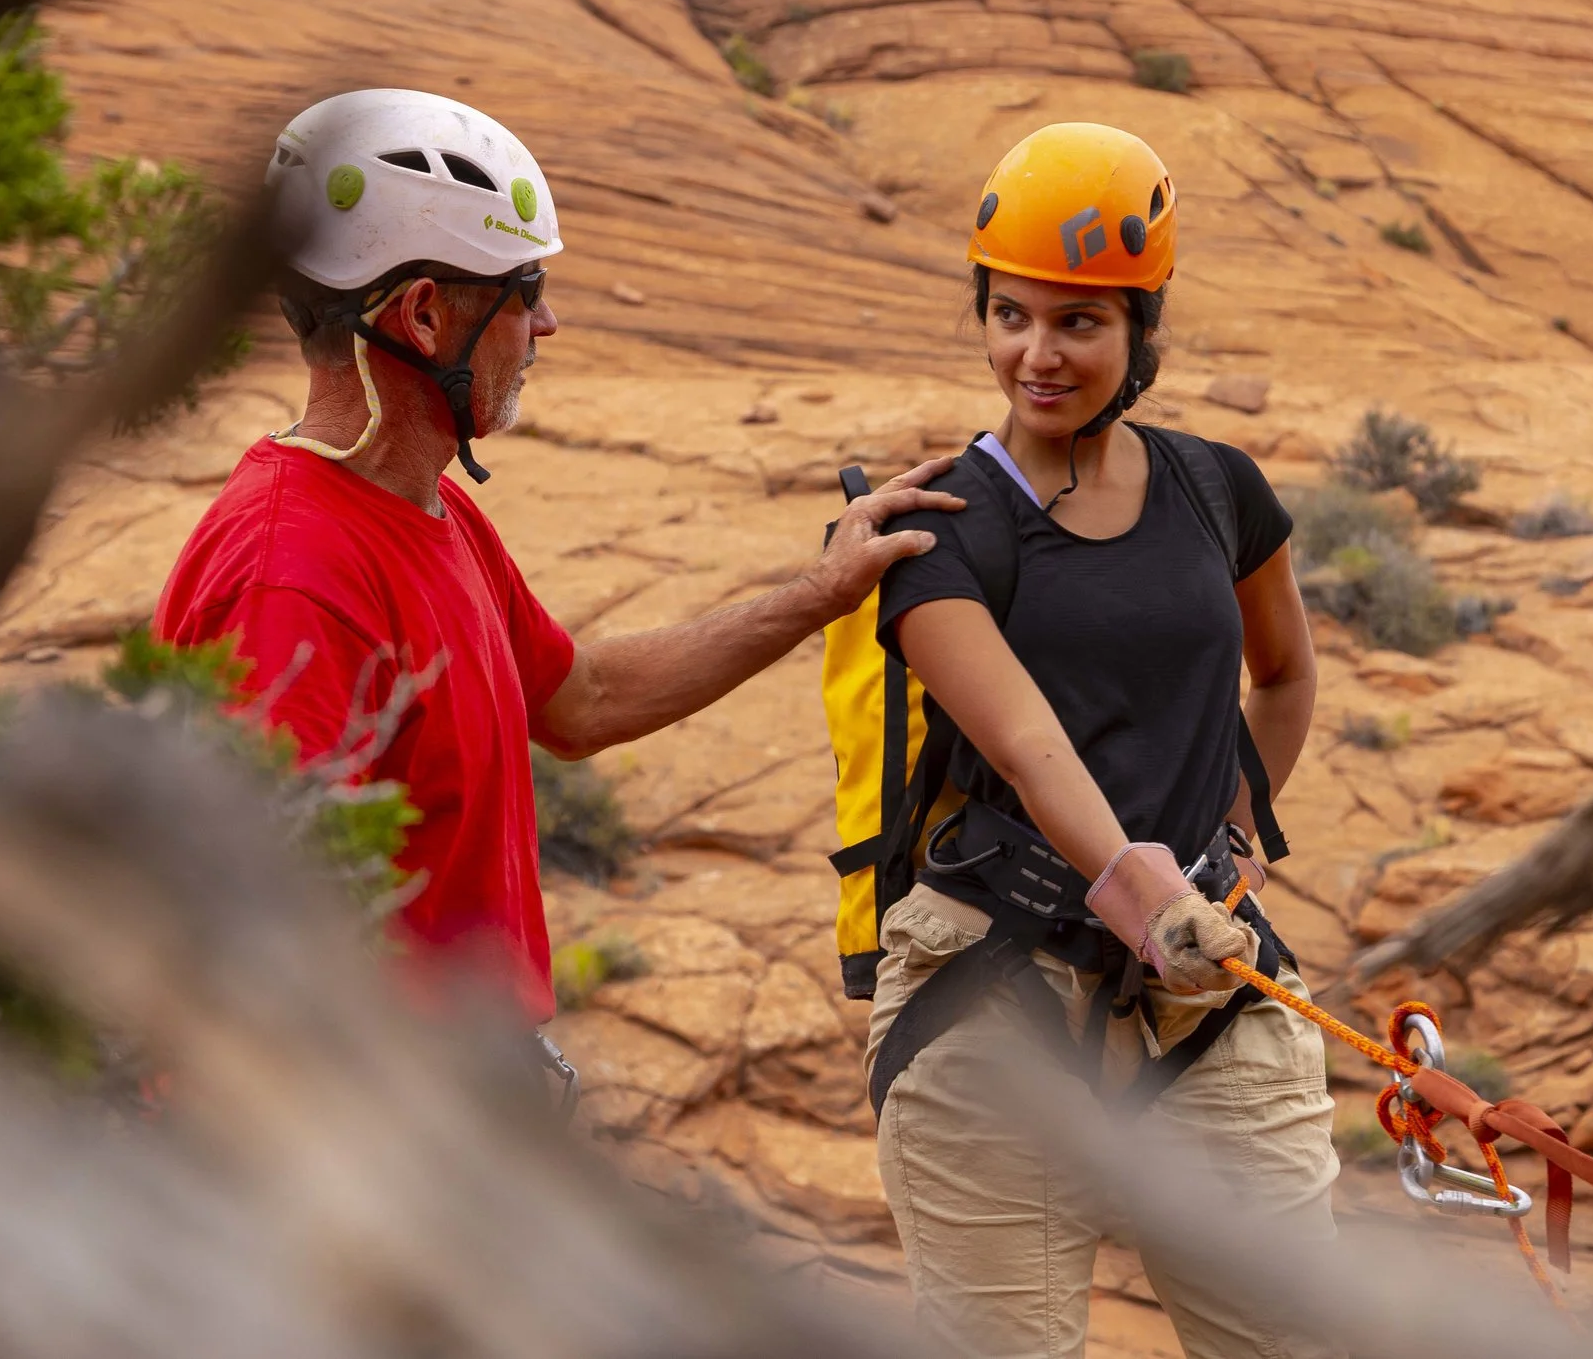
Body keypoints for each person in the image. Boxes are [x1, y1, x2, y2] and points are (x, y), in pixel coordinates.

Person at [154, 88, 959, 1037]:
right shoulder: (290, 576)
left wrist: (824, 593)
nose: (546, 326)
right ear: (422, 316)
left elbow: (584, 701)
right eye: (524, 291)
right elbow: (254, 941)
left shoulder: (432, 509)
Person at [864, 123, 1335, 1359]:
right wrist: (1145, 891)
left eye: (1078, 321)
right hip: (994, 1004)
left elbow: (1281, 676)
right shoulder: (940, 532)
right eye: (1009, 314)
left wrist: (1233, 842)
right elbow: (1027, 747)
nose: (1038, 351)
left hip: (1206, 998)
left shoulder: (1216, 489)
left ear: (1139, 331)